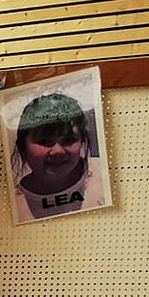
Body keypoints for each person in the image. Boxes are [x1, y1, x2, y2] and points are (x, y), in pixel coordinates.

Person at [11, 92, 95, 221]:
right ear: (23, 146)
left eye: (68, 140)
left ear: (82, 140)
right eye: (44, 141)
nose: (57, 151)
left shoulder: (105, 177)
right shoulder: (13, 205)